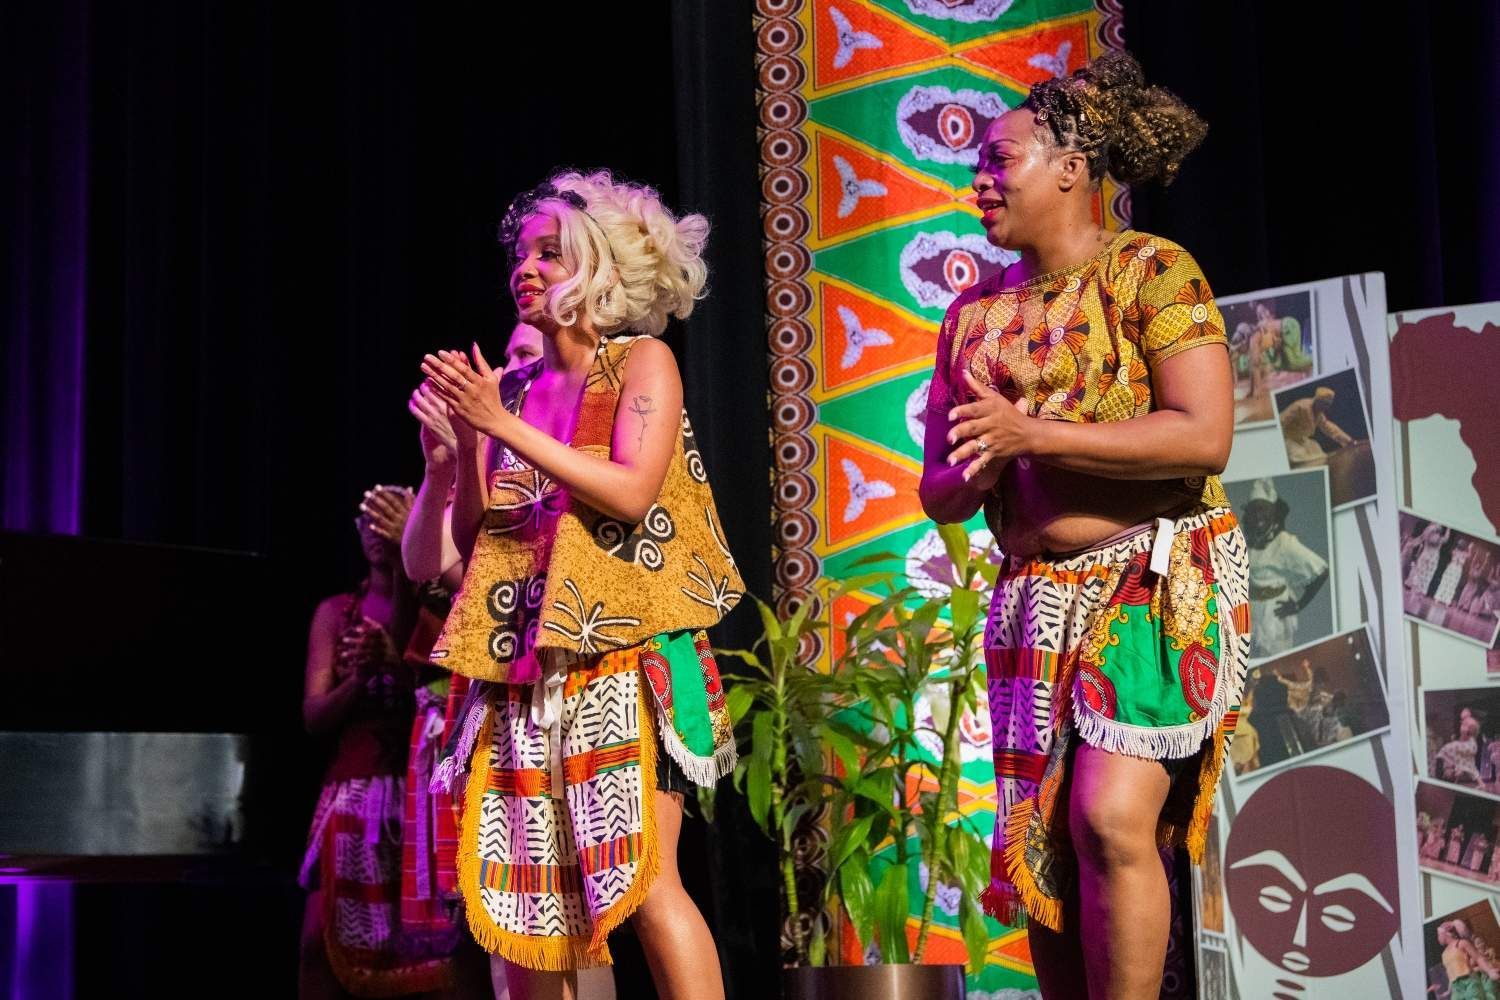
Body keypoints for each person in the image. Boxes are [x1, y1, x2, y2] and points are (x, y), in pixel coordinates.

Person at [919, 52, 1251, 998]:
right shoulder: (971, 318)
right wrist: (968, 472)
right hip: (1031, 598)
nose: (980, 176)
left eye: (1000, 157)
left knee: (1108, 817)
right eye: (978, 162)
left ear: (1071, 167)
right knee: (1048, 842)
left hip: (1150, 578)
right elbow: (940, 489)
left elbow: (1204, 434)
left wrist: (1034, 432)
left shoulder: (1152, 270)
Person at [420, 170, 742, 1000]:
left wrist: (503, 428)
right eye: (520, 254)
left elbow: (632, 491)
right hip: (527, 664)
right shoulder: (516, 391)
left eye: (549, 253)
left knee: (642, 886)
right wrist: (464, 448)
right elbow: (474, 542)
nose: (524, 267)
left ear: (597, 267)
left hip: (627, 660)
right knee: (536, 903)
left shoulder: (643, 362)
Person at [402, 320, 616, 1000]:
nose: (514, 371)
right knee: (521, 888)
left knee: (591, 883)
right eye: (514, 357)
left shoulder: (592, 426)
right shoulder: (500, 450)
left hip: (583, 674)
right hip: (505, 685)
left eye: (529, 357)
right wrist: (448, 461)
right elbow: (431, 560)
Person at [300, 488, 456, 998]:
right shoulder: (338, 612)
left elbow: (442, 695)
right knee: (317, 945)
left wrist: (395, 658)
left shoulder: (434, 603)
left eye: (385, 519)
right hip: (354, 789)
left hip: (418, 783)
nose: (374, 533)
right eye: (364, 522)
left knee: (422, 951)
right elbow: (314, 716)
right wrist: (360, 679)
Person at [1241, 479, 1329, 658]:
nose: (1258, 515)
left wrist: (1298, 605)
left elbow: (1321, 571)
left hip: (1274, 615)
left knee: (1274, 661)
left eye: (1263, 509)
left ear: (1272, 514)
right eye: (1254, 510)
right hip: (1252, 610)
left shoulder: (1284, 543)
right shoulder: (1249, 541)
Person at [1280, 386, 1355, 468]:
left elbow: (1330, 429)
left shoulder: (1319, 415)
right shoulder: (1300, 406)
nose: (1327, 407)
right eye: (1325, 403)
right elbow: (1281, 420)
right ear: (1318, 400)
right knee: (1302, 459)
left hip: (1302, 441)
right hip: (1287, 440)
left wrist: (1349, 441)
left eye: (1329, 404)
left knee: (1320, 455)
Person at [1437, 919, 1500, 1000]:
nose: (1438, 938)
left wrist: (1489, 971)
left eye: (1439, 935)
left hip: (1469, 981)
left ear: (1446, 933)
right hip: (1456, 988)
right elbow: (1450, 974)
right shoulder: (1444, 954)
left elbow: (1478, 958)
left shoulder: (1461, 943)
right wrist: (1449, 990)